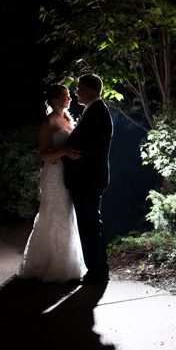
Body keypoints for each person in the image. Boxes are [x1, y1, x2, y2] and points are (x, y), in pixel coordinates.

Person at [18, 85, 87, 283]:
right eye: (66, 96)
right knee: (53, 215)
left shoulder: (67, 119)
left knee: (67, 215)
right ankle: (49, 264)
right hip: (54, 175)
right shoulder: (48, 122)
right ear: (56, 100)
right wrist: (64, 152)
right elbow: (44, 154)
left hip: (68, 173)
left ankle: (68, 263)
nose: (70, 99)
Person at [64, 74, 113, 284]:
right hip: (88, 178)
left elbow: (85, 148)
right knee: (89, 223)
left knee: (90, 224)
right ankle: (97, 268)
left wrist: (64, 152)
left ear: (91, 89)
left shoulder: (97, 112)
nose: (76, 92)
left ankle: (98, 271)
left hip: (88, 179)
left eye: (79, 88)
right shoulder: (93, 110)